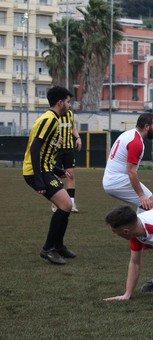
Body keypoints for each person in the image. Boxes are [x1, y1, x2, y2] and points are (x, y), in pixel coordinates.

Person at [22, 86, 76, 265]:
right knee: (65, 204)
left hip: (45, 169)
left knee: (66, 205)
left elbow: (44, 152)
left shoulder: (53, 119)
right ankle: (48, 249)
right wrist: (38, 179)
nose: (70, 105)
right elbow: (35, 148)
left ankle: (58, 245)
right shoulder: (50, 120)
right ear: (60, 102)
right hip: (36, 171)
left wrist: (58, 171)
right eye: (68, 101)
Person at [102, 113, 153, 213]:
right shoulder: (136, 142)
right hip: (117, 181)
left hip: (112, 179)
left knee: (147, 204)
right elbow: (131, 171)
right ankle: (139, 228)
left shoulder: (129, 134)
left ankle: (140, 226)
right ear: (147, 126)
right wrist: (141, 195)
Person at [52, 109, 82, 213]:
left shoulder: (70, 114)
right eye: (67, 101)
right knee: (55, 176)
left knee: (70, 175)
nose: (69, 104)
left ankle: (72, 204)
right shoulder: (53, 115)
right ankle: (56, 203)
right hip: (56, 150)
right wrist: (53, 140)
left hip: (69, 149)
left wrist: (77, 137)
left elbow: (73, 127)